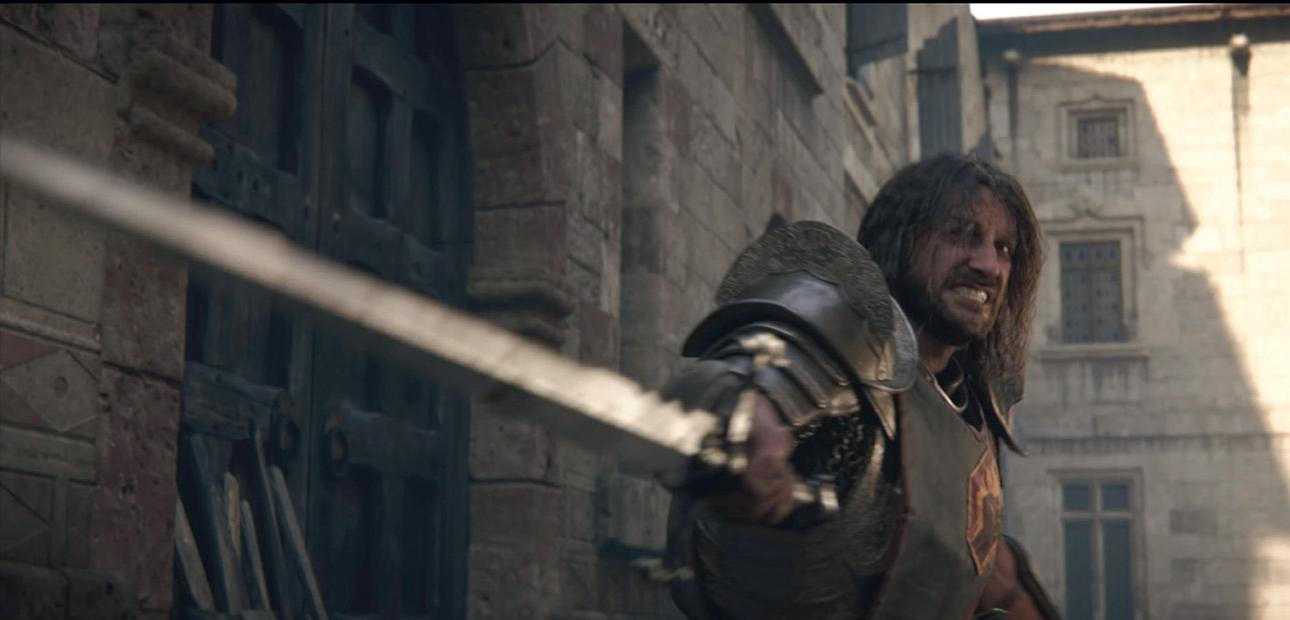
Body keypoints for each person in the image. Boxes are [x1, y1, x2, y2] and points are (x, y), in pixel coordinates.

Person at [662, 154, 1061, 619]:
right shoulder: (845, 347)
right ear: (903, 239)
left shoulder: (965, 409)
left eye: (1004, 248)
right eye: (960, 234)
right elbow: (736, 383)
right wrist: (743, 419)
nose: (988, 265)